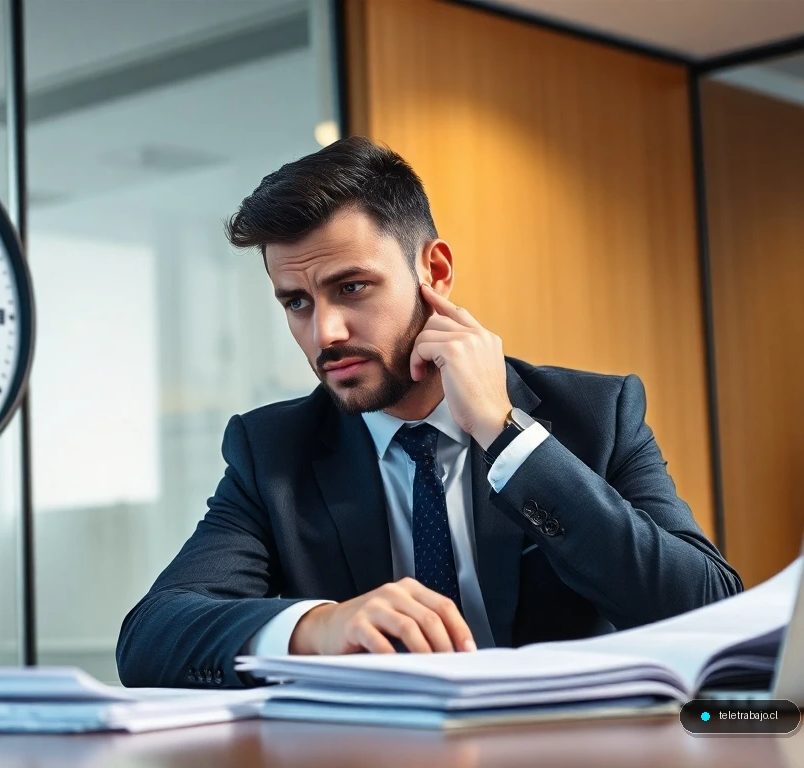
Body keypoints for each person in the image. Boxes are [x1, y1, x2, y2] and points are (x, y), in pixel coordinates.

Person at [116, 136, 742, 689]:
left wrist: (506, 434)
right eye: (296, 302)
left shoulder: (594, 416)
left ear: (434, 272)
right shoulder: (273, 450)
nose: (323, 332)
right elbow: (151, 635)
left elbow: (712, 615)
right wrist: (320, 625)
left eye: (351, 287)